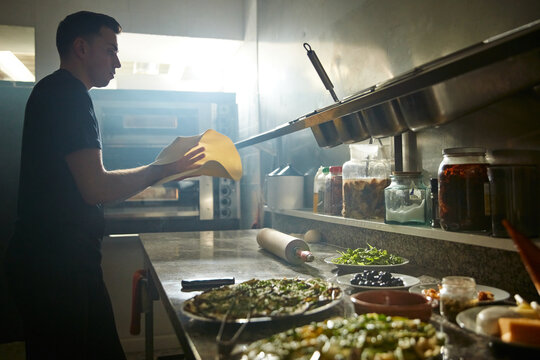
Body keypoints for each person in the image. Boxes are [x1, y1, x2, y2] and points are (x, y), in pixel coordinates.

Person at [4, 11, 205, 359]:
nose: (118, 62)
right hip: (56, 268)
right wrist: (161, 169)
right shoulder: (68, 95)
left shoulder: (59, 92)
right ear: (81, 48)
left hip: (59, 263)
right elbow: (96, 188)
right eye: (110, 50)